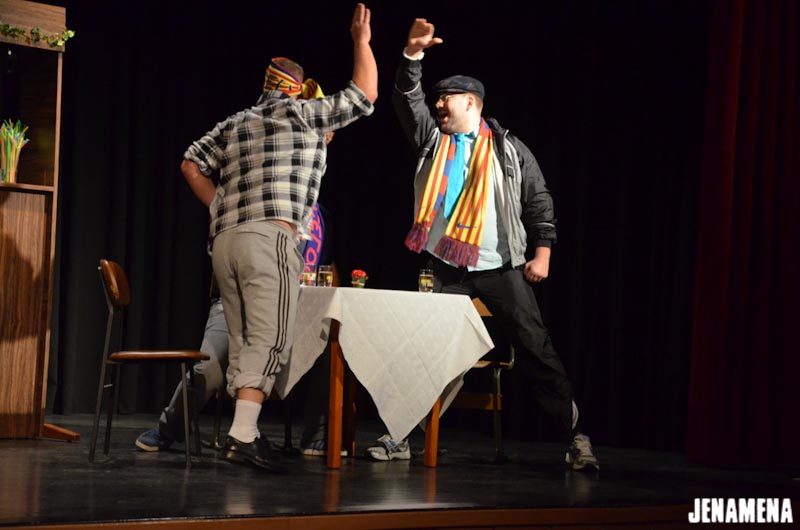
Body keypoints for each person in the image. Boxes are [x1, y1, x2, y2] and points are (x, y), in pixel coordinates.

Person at [367, 17, 599, 471]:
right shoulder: (433, 141)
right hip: (445, 265)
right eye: (436, 99)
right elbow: (406, 99)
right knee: (425, 350)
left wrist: (543, 253)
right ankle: (400, 436)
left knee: (536, 348)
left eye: (446, 99)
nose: (438, 105)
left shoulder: (508, 149)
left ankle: (575, 437)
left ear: (470, 102)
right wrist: (412, 56)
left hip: (500, 265)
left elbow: (538, 200)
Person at [178, 3, 377, 472]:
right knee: (269, 338)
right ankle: (243, 435)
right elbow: (364, 94)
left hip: (225, 242)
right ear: (297, 89)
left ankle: (241, 430)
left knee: (243, 336)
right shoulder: (305, 115)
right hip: (268, 240)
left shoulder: (236, 121)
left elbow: (190, 163)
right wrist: (361, 41)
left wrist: (219, 205)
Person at [133, 203, 340, 457]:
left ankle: (316, 435)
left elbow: (327, 266)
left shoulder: (321, 218)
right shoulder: (262, 202)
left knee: (328, 342)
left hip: (297, 307)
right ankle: (169, 428)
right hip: (236, 304)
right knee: (209, 367)